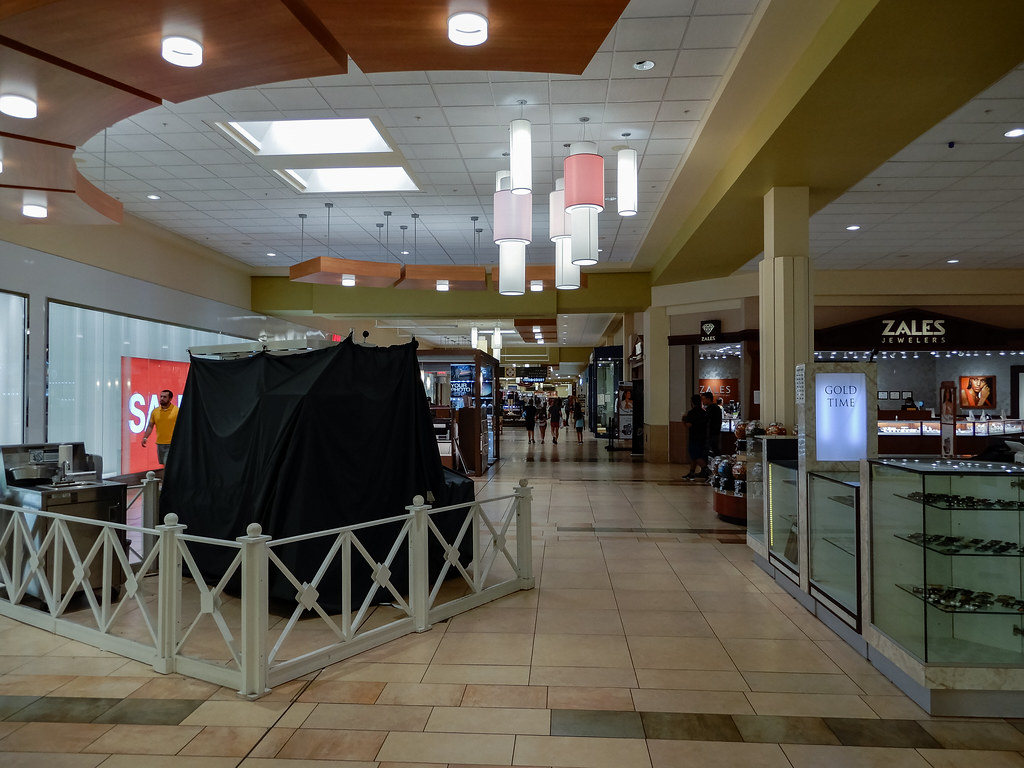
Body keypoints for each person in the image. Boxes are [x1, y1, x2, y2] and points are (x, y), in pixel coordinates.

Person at [142, 389, 179, 465]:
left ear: (170, 399)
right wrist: (145, 437)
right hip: (160, 444)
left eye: (165, 397)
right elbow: (150, 426)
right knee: (163, 464)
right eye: (161, 396)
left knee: (167, 464)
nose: (162, 398)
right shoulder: (155, 411)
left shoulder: (176, 410)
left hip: (172, 443)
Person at [682, 393, 709, 480]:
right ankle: (691, 472)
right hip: (703, 437)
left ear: (692, 402)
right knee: (695, 456)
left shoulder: (691, 413)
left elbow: (689, 425)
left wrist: (684, 421)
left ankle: (706, 470)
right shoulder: (704, 412)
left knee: (695, 456)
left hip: (694, 438)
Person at [701, 391, 722, 458]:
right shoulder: (717, 408)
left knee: (712, 449)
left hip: (711, 433)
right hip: (716, 432)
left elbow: (707, 421)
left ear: (709, 399)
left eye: (704, 399)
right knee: (715, 449)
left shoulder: (710, 409)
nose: (702, 401)